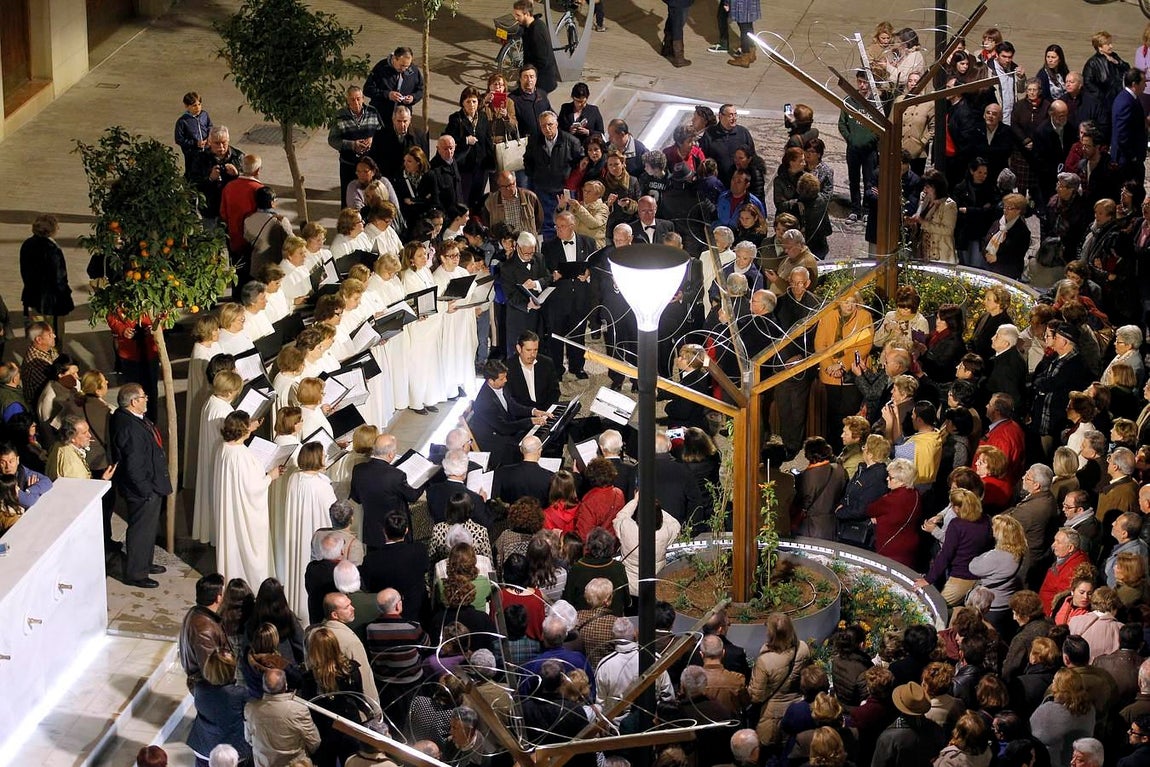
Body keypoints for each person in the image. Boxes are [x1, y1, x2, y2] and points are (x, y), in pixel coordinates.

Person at [109, 384, 170, 589]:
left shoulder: (132, 418)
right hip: (143, 490)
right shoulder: (129, 427)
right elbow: (134, 466)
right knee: (140, 530)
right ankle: (136, 573)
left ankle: (145, 562)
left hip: (149, 486)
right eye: (144, 397)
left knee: (148, 529)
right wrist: (146, 491)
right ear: (134, 402)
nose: (147, 399)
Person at [215, 412, 280, 591]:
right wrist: (270, 476)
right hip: (245, 513)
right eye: (247, 424)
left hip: (232, 509)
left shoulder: (223, 448)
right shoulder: (241, 455)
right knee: (250, 551)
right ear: (242, 430)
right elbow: (252, 488)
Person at [244, 669, 321, 766]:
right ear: (286, 685)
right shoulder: (298, 709)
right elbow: (314, 742)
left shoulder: (250, 709)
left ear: (263, 686)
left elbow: (249, 739)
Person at [19, 214, 73, 340]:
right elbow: (59, 277)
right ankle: (53, 358)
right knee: (53, 335)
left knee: (37, 332)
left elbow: (24, 271)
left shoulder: (27, 244)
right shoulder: (52, 249)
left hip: (32, 297)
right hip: (52, 303)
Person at [1031, 669, 1096, 765]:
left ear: (1058, 687)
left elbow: (1034, 735)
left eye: (1054, 680)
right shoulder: (1090, 709)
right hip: (1080, 761)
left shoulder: (1047, 711)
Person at [867, 458, 922, 569]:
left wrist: (878, 518)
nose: (887, 479)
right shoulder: (916, 494)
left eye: (891, 477)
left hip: (890, 550)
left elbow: (870, 509)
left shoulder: (891, 499)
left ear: (901, 481)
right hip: (909, 549)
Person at [362, 45, 424, 126]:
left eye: (407, 66)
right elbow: (367, 89)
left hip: (403, 119)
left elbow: (420, 89)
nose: (404, 69)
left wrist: (413, 97)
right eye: (402, 65)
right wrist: (387, 94)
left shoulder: (413, 70)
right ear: (394, 58)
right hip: (382, 117)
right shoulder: (381, 68)